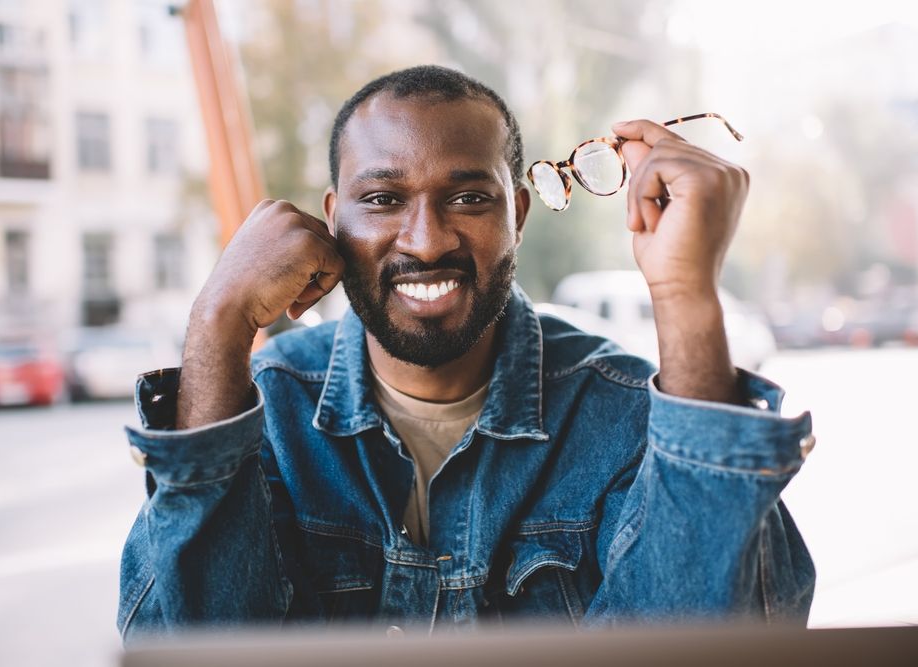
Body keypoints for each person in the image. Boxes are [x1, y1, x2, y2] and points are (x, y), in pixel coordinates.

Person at [117, 65, 815, 641]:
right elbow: (181, 646)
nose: (425, 240)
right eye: (385, 197)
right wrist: (216, 321)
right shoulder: (263, 407)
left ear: (517, 215)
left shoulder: (623, 416)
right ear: (333, 221)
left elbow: (719, 641)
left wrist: (687, 292)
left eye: (469, 197)